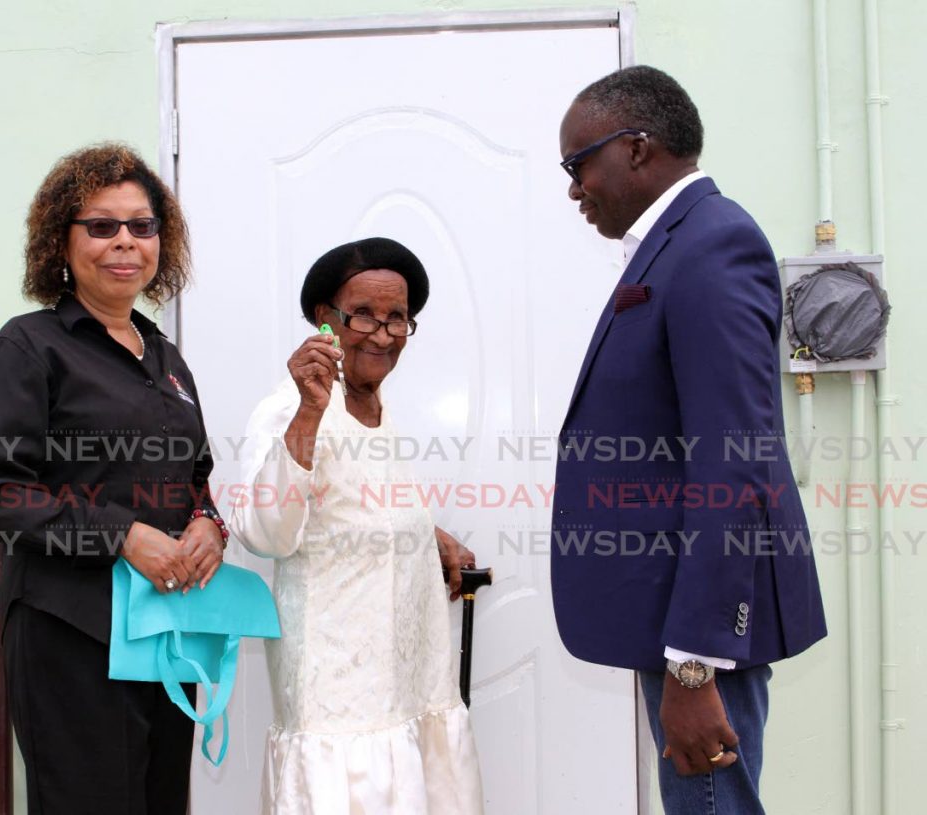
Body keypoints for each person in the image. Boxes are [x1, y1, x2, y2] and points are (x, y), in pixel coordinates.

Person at [550, 66, 827, 814]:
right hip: (679, 616)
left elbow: (732, 459)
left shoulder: (710, 244)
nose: (575, 188)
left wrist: (696, 664)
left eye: (580, 165)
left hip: (700, 625)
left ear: (636, 148)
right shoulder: (677, 246)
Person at [0, 144, 227, 815]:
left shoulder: (167, 358)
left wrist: (208, 525)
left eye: (141, 226)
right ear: (62, 239)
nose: (125, 242)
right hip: (70, 632)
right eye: (102, 225)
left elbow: (194, 474)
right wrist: (123, 535)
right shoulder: (26, 348)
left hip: (167, 632)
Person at [230, 237, 484, 814]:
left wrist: (429, 535)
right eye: (363, 314)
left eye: (398, 318)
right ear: (324, 319)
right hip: (338, 689)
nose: (383, 333)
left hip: (405, 679)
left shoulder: (374, 403)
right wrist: (308, 412)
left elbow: (357, 499)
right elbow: (265, 532)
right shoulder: (289, 408)